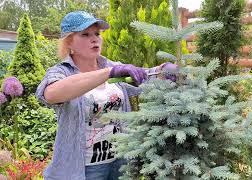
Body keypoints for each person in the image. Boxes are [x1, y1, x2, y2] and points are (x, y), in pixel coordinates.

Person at [36, 11, 177, 180]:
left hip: (120, 162)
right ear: (69, 43)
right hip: (84, 169)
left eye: (97, 33)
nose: (94, 39)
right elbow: (51, 94)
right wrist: (109, 73)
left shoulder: (111, 65)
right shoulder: (62, 72)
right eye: (85, 34)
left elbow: (143, 77)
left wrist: (162, 71)